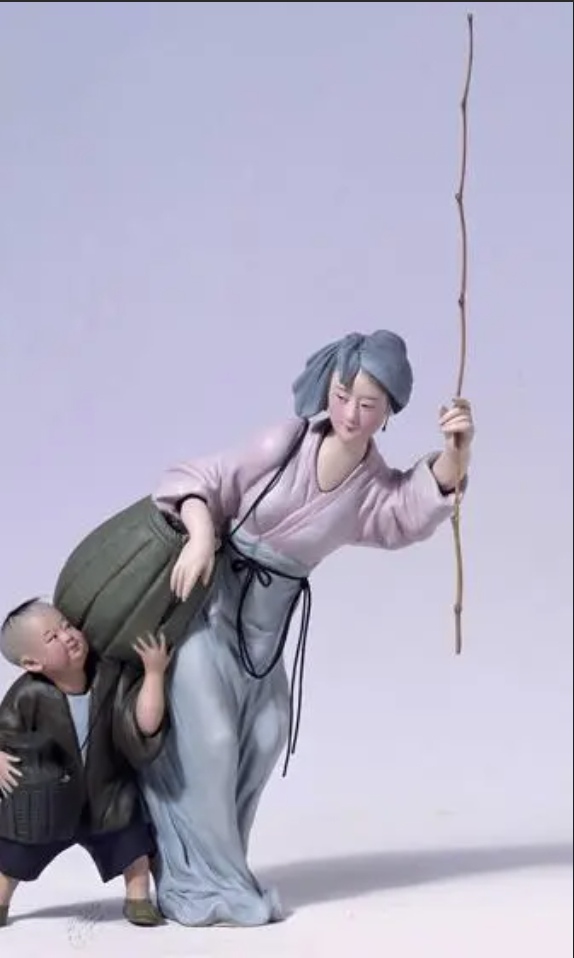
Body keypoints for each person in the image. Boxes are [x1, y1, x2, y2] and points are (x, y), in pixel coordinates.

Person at [136, 330, 475, 927]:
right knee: (213, 739)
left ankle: (210, 865)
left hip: (265, 639)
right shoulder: (285, 443)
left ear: (388, 411)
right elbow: (196, 478)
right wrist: (202, 535)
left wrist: (456, 453)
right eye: (342, 396)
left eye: (368, 405)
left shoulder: (370, 490)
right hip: (208, 615)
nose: (350, 414)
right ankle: (208, 884)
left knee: (266, 735)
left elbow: (409, 511)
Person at [0, 598, 171, 929]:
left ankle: (138, 897)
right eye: (52, 637)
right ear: (32, 663)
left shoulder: (111, 677)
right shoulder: (28, 694)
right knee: (15, 851)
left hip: (106, 794)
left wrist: (153, 673)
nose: (67, 636)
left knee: (133, 842)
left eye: (66, 625)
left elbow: (146, 726)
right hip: (47, 799)